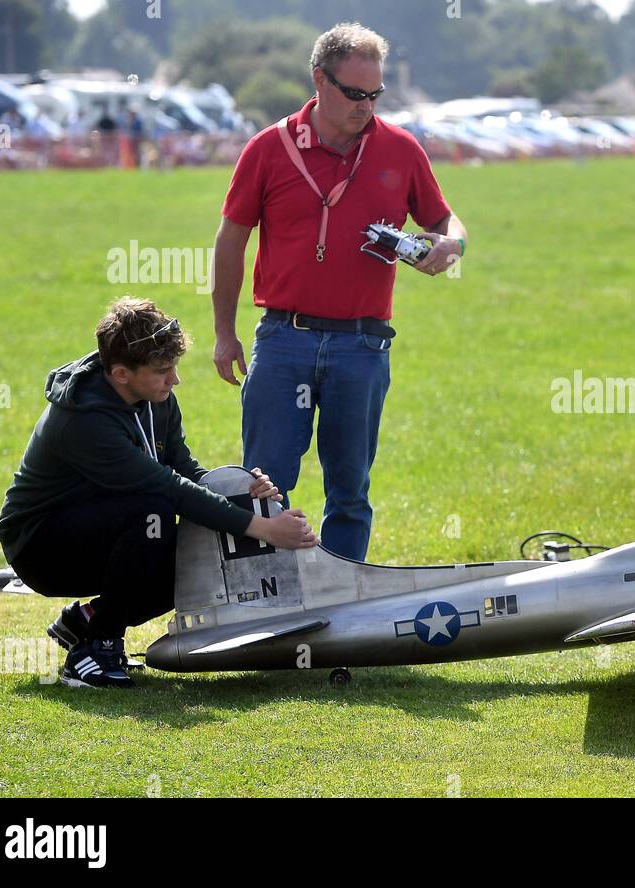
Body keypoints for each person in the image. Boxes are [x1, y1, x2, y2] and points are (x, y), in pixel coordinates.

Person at [212, 21, 466, 561]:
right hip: (283, 338)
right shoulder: (268, 148)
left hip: (363, 345)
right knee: (263, 484)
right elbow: (231, 240)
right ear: (319, 80)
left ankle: (341, 600)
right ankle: (266, 596)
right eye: (354, 94)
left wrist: (451, 247)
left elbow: (446, 221)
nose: (365, 106)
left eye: (375, 94)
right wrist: (224, 333)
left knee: (350, 491)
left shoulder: (400, 149)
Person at [0, 299, 317, 688]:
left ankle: (91, 619)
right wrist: (261, 529)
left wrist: (245, 493)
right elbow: (166, 488)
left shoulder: (156, 398)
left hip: (106, 527)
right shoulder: (84, 422)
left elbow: (186, 470)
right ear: (120, 373)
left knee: (198, 553)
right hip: (41, 547)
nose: (175, 380)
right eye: (163, 371)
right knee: (154, 511)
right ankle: (94, 647)